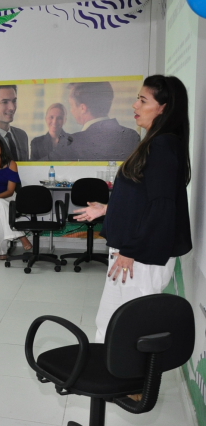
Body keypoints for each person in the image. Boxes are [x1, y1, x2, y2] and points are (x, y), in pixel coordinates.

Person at [73, 75, 191, 342]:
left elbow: (162, 208)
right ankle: (108, 373)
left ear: (164, 107)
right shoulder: (154, 142)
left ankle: (131, 382)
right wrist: (107, 209)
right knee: (110, 320)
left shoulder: (163, 145)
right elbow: (142, 198)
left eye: (142, 99)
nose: (135, 106)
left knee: (131, 327)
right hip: (132, 250)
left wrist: (131, 250)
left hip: (140, 255)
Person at [62, 81, 140, 161]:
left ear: (83, 108)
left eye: (71, 105)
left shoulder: (73, 142)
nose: (71, 110)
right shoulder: (132, 136)